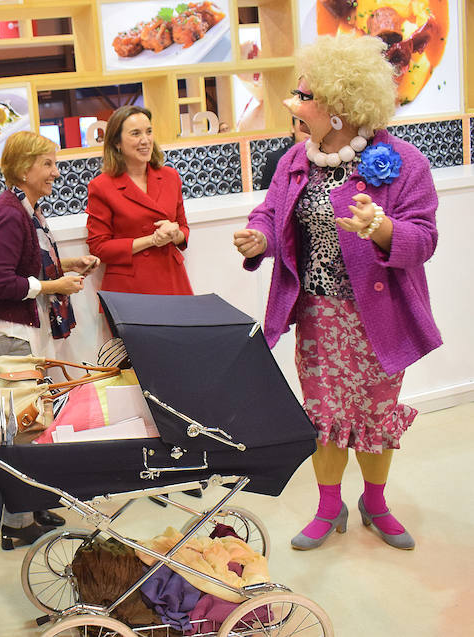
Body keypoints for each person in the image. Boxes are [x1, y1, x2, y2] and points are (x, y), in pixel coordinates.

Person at [233, 33, 441, 551]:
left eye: (306, 98)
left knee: (375, 417)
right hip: (319, 315)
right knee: (324, 417)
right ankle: (329, 509)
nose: (294, 106)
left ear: (341, 109)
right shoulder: (293, 161)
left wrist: (383, 228)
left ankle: (376, 503)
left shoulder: (404, 163)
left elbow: (425, 237)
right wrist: (260, 235)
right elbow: (271, 212)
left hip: (381, 317)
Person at [0, 131, 99, 547]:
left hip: (19, 335)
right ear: (25, 168)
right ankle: (17, 523)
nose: (55, 173)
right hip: (7, 337)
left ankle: (28, 507)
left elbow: (24, 266)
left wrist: (66, 266)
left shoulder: (24, 210)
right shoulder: (11, 213)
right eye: (47, 164)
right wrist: (50, 286)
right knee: (20, 433)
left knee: (28, 429)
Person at [85, 105, 192, 298]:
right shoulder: (101, 186)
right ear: (117, 142)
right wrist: (152, 240)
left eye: (149, 132)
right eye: (135, 133)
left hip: (173, 281)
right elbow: (99, 248)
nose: (145, 140)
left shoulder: (170, 176)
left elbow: (184, 228)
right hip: (130, 289)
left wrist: (175, 233)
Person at [257, 117, 310, 190]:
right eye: (302, 122)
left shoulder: (322, 158)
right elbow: (266, 193)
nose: (307, 129)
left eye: (311, 123)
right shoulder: (276, 159)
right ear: (292, 127)